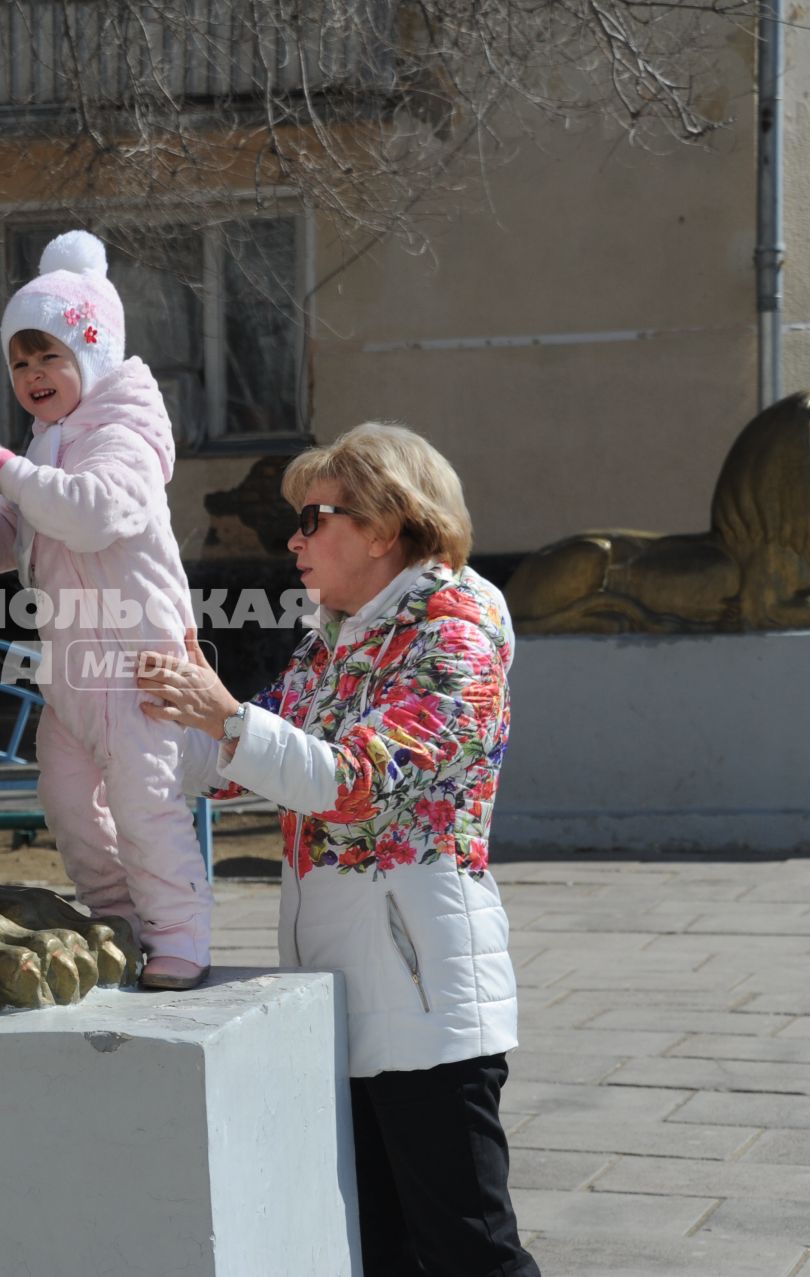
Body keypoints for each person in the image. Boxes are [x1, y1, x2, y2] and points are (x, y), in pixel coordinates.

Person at [136, 422, 539, 1276]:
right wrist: (135, 720)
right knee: (381, 1254)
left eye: (314, 517)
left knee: (470, 1256)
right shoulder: (337, 639)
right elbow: (243, 761)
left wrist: (228, 719)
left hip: (429, 1009)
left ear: (387, 524)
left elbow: (355, 780)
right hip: (343, 998)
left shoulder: (455, 635)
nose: (293, 539)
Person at [0, 230, 211, 992]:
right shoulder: (43, 445)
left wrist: (7, 471)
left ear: (93, 359)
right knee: (67, 802)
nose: (34, 374)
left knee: (145, 806)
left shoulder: (125, 437)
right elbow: (15, 540)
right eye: (20, 361)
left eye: (51, 356)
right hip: (73, 672)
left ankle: (181, 934)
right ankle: (119, 917)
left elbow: (93, 515)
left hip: (141, 670)